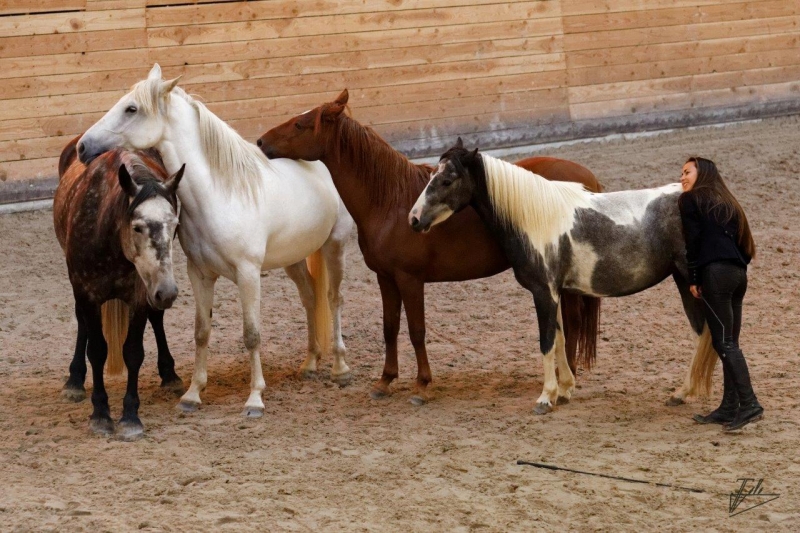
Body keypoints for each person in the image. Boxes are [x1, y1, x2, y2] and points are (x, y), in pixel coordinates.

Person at [679, 157, 762, 431]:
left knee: (724, 344)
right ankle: (729, 407)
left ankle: (749, 404)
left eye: (687, 172)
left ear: (702, 174)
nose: (682, 178)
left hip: (714, 276)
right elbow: (745, 242)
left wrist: (693, 278)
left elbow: (692, 241)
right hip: (738, 275)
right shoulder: (728, 202)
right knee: (731, 342)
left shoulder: (690, 201)